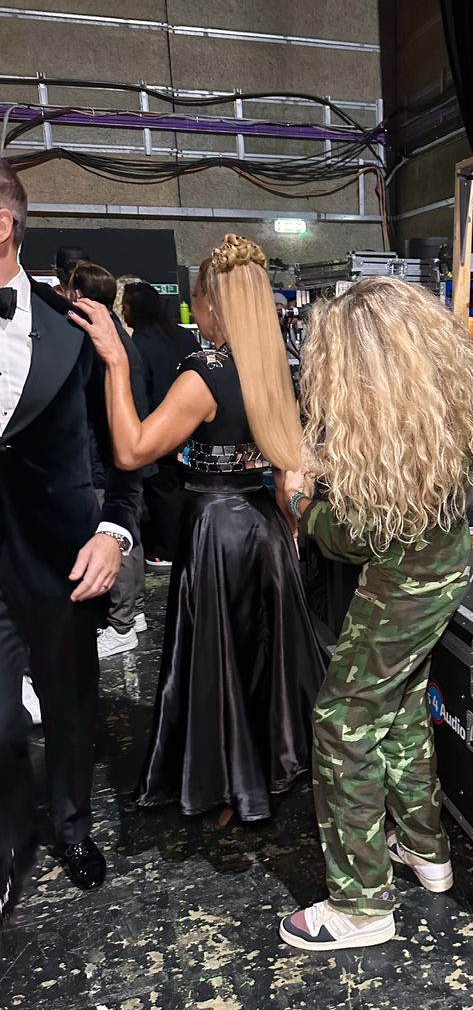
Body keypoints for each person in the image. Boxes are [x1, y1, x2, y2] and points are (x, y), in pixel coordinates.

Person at [71, 234, 325, 824]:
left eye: (198, 300)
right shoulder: (274, 370)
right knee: (257, 657)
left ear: (212, 302)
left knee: (221, 662)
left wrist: (114, 362)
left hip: (218, 529)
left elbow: (132, 450)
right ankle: (266, 769)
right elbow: (289, 464)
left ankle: (228, 784)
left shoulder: (204, 374)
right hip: (265, 527)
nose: (195, 311)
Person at [277, 277, 473, 952]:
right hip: (445, 575)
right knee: (399, 710)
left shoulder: (390, 435)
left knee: (342, 725)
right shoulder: (449, 410)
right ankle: (426, 854)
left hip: (399, 591)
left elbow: (356, 537)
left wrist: (299, 506)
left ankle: (360, 904)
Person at [0, 160, 143, 893]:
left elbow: (124, 457)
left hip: (61, 560)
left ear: (2, 225)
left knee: (70, 708)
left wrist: (114, 535)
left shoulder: (82, 332)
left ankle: (71, 829)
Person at [67, 261, 151, 658]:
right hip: (118, 450)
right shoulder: (120, 334)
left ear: (77, 294)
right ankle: (129, 616)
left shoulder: (102, 340)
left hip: (108, 454)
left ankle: (123, 623)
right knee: (123, 532)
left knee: (115, 534)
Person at [122, 281, 199, 565]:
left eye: (126, 306)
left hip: (158, 427)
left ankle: (168, 549)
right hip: (195, 427)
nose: (123, 312)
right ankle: (187, 543)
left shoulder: (138, 345)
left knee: (162, 490)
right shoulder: (183, 336)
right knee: (186, 487)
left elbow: (139, 393)